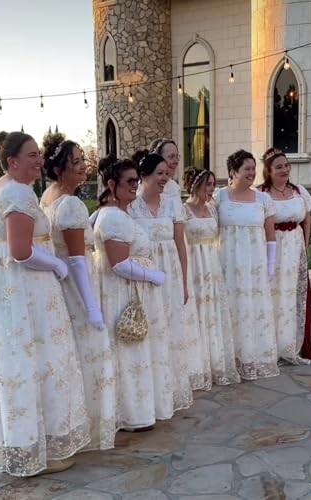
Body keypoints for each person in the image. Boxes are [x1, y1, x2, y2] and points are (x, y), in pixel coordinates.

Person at [0, 131, 90, 477]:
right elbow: (21, 251)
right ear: (12, 161)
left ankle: (24, 445)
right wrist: (57, 265)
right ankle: (40, 450)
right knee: (37, 360)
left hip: (5, 284)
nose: (40, 161)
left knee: (17, 363)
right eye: (32, 155)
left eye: (39, 154)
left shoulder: (0, 188)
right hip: (25, 289)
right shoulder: (18, 193)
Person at [40, 138, 117, 450]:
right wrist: (92, 306)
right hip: (76, 284)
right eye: (76, 161)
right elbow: (76, 259)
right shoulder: (70, 204)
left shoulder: (48, 197)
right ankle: (91, 423)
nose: (84, 165)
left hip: (60, 283)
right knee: (87, 346)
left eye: (83, 159)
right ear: (60, 169)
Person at [93, 157, 174, 430]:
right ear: (111, 184)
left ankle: (139, 409)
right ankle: (131, 414)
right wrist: (154, 276)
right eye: (129, 181)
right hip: (123, 292)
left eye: (136, 181)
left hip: (132, 291)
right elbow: (118, 263)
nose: (134, 186)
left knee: (136, 347)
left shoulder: (120, 213)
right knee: (130, 348)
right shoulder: (113, 216)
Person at [129, 153, 210, 409]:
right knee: (149, 327)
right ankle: (148, 391)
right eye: (159, 173)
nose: (165, 178)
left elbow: (180, 246)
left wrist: (184, 281)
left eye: (167, 173)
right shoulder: (130, 206)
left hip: (170, 273)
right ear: (144, 176)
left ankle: (170, 388)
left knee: (171, 326)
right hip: (143, 273)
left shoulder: (173, 205)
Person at [213, 149, 279, 380]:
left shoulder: (263, 199)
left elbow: (271, 236)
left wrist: (270, 267)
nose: (252, 173)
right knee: (231, 308)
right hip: (227, 263)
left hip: (255, 265)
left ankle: (251, 357)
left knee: (252, 309)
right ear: (233, 172)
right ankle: (229, 359)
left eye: (253, 168)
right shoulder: (219, 197)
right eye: (247, 169)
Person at [259, 147, 311, 363]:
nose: (285, 170)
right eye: (279, 167)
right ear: (269, 171)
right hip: (273, 248)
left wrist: (305, 247)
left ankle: (290, 343)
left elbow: (307, 222)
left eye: (286, 165)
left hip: (295, 248)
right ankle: (270, 345)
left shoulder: (299, 192)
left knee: (292, 294)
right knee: (273, 293)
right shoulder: (261, 194)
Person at [183, 167, 240, 385]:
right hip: (193, 263)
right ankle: (196, 366)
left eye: (214, 185)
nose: (211, 189)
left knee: (212, 310)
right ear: (195, 185)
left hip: (211, 265)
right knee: (196, 310)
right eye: (208, 184)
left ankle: (215, 361)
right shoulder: (183, 210)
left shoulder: (212, 210)